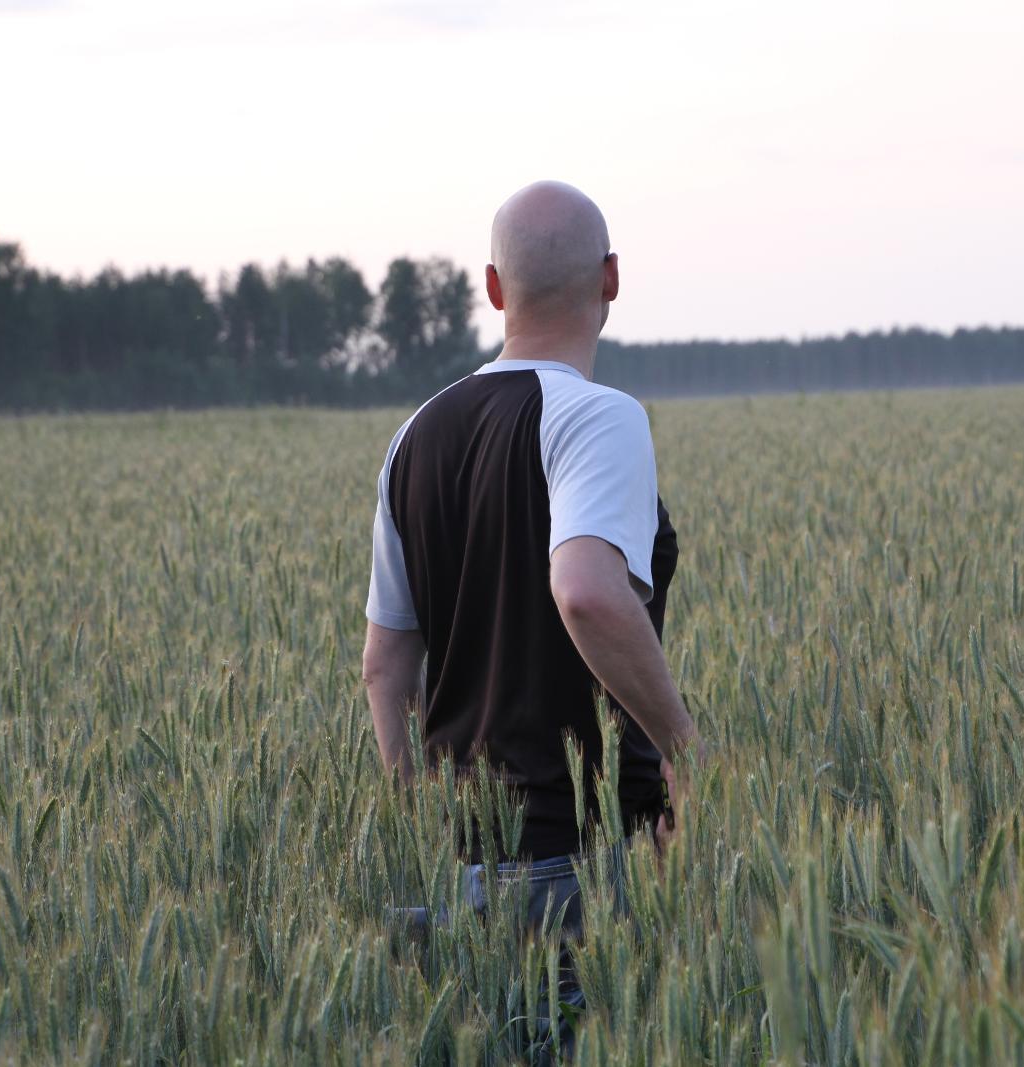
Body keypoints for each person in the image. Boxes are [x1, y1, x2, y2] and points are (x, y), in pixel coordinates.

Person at [362, 180, 703, 1053]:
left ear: (493, 288)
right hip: (583, 864)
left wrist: (423, 826)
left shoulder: (415, 436)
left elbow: (385, 664)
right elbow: (586, 590)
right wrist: (687, 750)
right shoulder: (596, 416)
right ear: (612, 280)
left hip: (464, 869)